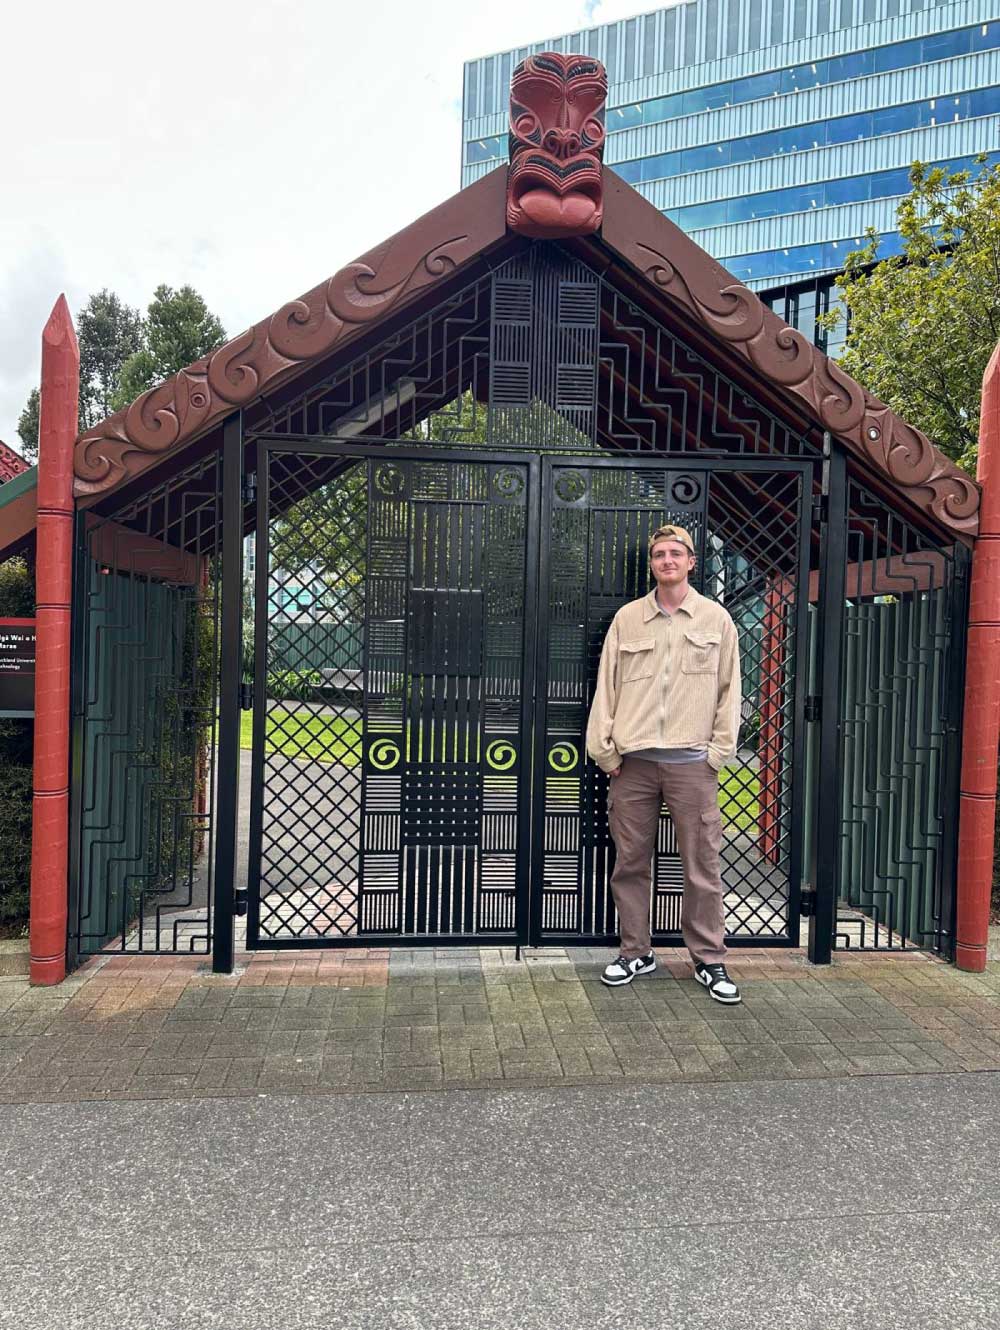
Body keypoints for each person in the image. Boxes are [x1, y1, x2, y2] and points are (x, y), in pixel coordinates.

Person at [585, 524, 742, 1004]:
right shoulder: (628, 620)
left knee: (702, 865)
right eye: (659, 555)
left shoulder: (716, 621)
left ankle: (709, 959)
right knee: (631, 863)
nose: (667, 561)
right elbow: (606, 689)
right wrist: (606, 752)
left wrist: (717, 753)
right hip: (632, 766)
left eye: (676, 553)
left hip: (693, 765)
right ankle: (635, 951)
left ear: (692, 562)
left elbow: (729, 692)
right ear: (651, 564)